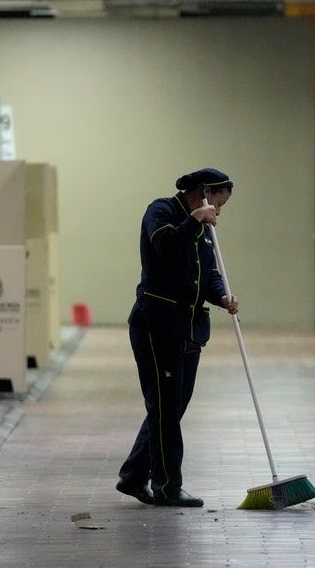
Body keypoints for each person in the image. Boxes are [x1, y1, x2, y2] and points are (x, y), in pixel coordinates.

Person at [116, 167, 240, 508]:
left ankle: (133, 476)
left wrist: (222, 296)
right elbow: (165, 246)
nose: (219, 210)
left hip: (190, 329)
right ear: (202, 193)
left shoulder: (204, 229)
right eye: (218, 202)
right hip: (157, 325)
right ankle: (168, 487)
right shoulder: (162, 211)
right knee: (165, 409)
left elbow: (210, 273)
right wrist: (194, 220)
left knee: (171, 408)